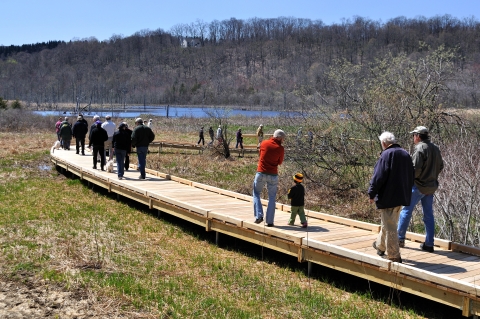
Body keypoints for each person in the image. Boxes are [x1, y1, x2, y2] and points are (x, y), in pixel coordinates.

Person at [397, 126, 444, 253]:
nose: (413, 137)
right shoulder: (435, 148)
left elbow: (415, 170)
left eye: (414, 135)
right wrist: (431, 177)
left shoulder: (420, 148)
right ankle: (429, 244)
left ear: (418, 135)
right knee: (428, 215)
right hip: (431, 187)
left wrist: (410, 180)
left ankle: (399, 239)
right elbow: (441, 166)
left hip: (418, 186)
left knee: (405, 211)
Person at [369, 131, 414, 263]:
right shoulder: (405, 154)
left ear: (383, 143)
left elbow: (378, 177)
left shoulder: (386, 155)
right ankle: (380, 246)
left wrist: (372, 193)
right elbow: (412, 175)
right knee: (389, 222)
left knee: (390, 225)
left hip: (388, 197)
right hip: (402, 196)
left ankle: (394, 254)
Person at [253, 129, 286, 227]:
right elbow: (280, 162)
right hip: (273, 175)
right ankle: (270, 222)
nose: (283, 140)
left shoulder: (264, 143)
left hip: (261, 172)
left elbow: (260, 155)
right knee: (272, 197)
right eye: (283, 139)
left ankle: (259, 215)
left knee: (256, 193)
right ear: (279, 138)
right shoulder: (280, 149)